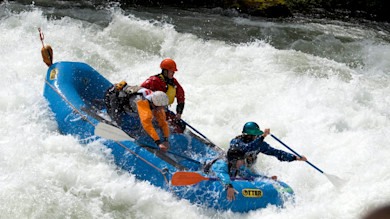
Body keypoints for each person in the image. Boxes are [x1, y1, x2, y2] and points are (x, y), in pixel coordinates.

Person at [104, 81, 170, 152]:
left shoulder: (156, 101)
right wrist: (159, 143)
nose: (163, 108)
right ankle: (106, 116)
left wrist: (166, 139)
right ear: (156, 105)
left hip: (125, 99)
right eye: (162, 107)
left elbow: (163, 123)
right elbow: (147, 124)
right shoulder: (142, 103)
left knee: (151, 122)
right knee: (116, 120)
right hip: (113, 96)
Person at [230, 122, 307, 168]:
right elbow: (247, 148)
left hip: (248, 171)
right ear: (249, 135)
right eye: (256, 135)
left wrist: (295, 157)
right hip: (234, 168)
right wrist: (263, 136)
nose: (257, 137)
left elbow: (276, 152)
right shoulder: (235, 142)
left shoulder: (259, 145)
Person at [140, 59, 186, 131]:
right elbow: (140, 92)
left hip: (162, 110)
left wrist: (179, 112)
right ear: (165, 71)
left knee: (181, 125)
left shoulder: (173, 82)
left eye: (174, 71)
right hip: (150, 109)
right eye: (171, 71)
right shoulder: (153, 81)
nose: (173, 73)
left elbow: (181, 96)